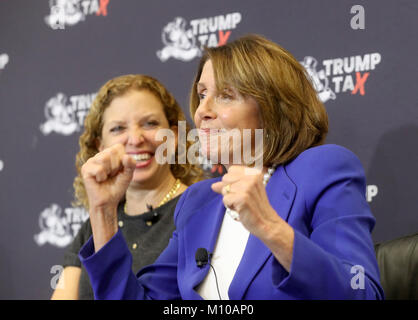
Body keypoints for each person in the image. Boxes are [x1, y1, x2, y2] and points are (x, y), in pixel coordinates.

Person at [78, 35, 384, 299]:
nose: (202, 112)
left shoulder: (321, 170)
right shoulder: (198, 201)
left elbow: (362, 293)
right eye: (201, 95)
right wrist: (103, 212)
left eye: (225, 95)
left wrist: (270, 228)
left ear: (273, 107)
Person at [51, 74, 203, 299]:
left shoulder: (201, 210)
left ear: (174, 135)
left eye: (150, 123)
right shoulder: (92, 228)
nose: (135, 138)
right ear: (100, 147)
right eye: (118, 129)